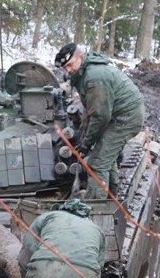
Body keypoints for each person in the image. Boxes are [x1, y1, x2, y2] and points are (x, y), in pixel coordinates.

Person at [55, 43, 145, 200]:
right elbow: (90, 112)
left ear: (81, 58)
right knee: (105, 157)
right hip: (118, 115)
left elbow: (100, 116)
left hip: (125, 118)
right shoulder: (86, 73)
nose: (68, 70)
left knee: (97, 164)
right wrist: (83, 139)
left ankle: (97, 211)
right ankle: (112, 199)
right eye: (65, 68)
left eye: (70, 65)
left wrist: (87, 143)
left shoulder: (94, 77)